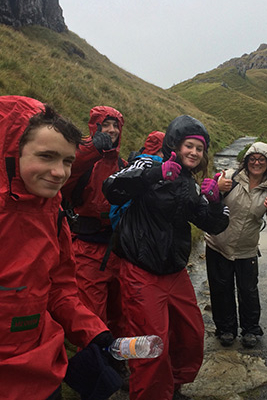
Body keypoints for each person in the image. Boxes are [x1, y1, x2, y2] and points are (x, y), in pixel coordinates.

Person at [103, 115, 230, 400]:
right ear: (175, 144)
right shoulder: (149, 164)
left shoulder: (190, 184)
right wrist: (155, 175)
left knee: (191, 336)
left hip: (174, 272)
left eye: (199, 148)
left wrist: (213, 203)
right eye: (189, 146)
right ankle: (148, 393)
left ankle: (171, 387)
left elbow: (214, 225)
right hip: (140, 271)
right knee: (151, 345)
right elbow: (112, 188)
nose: (194, 153)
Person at [0, 96, 119, 400]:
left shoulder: (53, 212)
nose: (59, 172)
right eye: (46, 156)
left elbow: (60, 287)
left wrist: (92, 331)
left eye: (67, 161)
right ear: (13, 153)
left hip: (42, 364)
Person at [205, 141, 267, 348]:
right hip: (218, 245)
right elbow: (208, 202)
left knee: (248, 291)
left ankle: (250, 330)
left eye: (261, 160)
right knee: (220, 289)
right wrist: (216, 187)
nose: (256, 163)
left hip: (246, 251)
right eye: (253, 159)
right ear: (246, 161)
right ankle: (225, 329)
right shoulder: (230, 178)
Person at [61, 106, 128, 340]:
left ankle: (120, 359)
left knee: (121, 313)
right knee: (92, 316)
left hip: (118, 250)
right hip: (86, 249)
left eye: (115, 126)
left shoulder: (123, 165)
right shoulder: (81, 159)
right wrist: (92, 150)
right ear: (94, 127)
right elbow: (65, 173)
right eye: (105, 125)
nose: (111, 131)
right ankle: (98, 366)